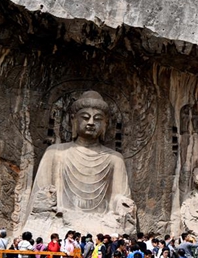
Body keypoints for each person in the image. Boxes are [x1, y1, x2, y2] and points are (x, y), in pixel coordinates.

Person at [25, 90, 136, 235]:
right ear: (73, 120)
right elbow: (40, 198)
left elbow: (120, 199)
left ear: (105, 124)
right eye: (85, 117)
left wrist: (123, 206)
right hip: (59, 224)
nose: (91, 123)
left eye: (97, 119)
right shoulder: (55, 153)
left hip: (102, 226)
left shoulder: (115, 159)